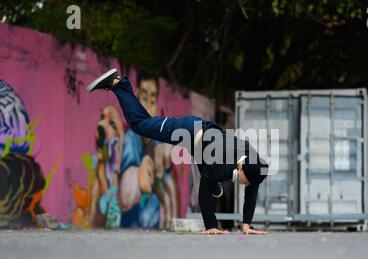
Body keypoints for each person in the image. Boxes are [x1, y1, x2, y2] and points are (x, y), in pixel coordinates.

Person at [87, 68, 269, 234]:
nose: (246, 185)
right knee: (140, 125)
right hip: (188, 130)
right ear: (242, 166)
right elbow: (203, 192)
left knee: (210, 172)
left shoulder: (254, 163)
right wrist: (211, 225)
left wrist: (247, 225)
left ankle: (214, 182)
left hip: (204, 142)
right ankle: (118, 84)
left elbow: (251, 193)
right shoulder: (223, 164)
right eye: (246, 181)